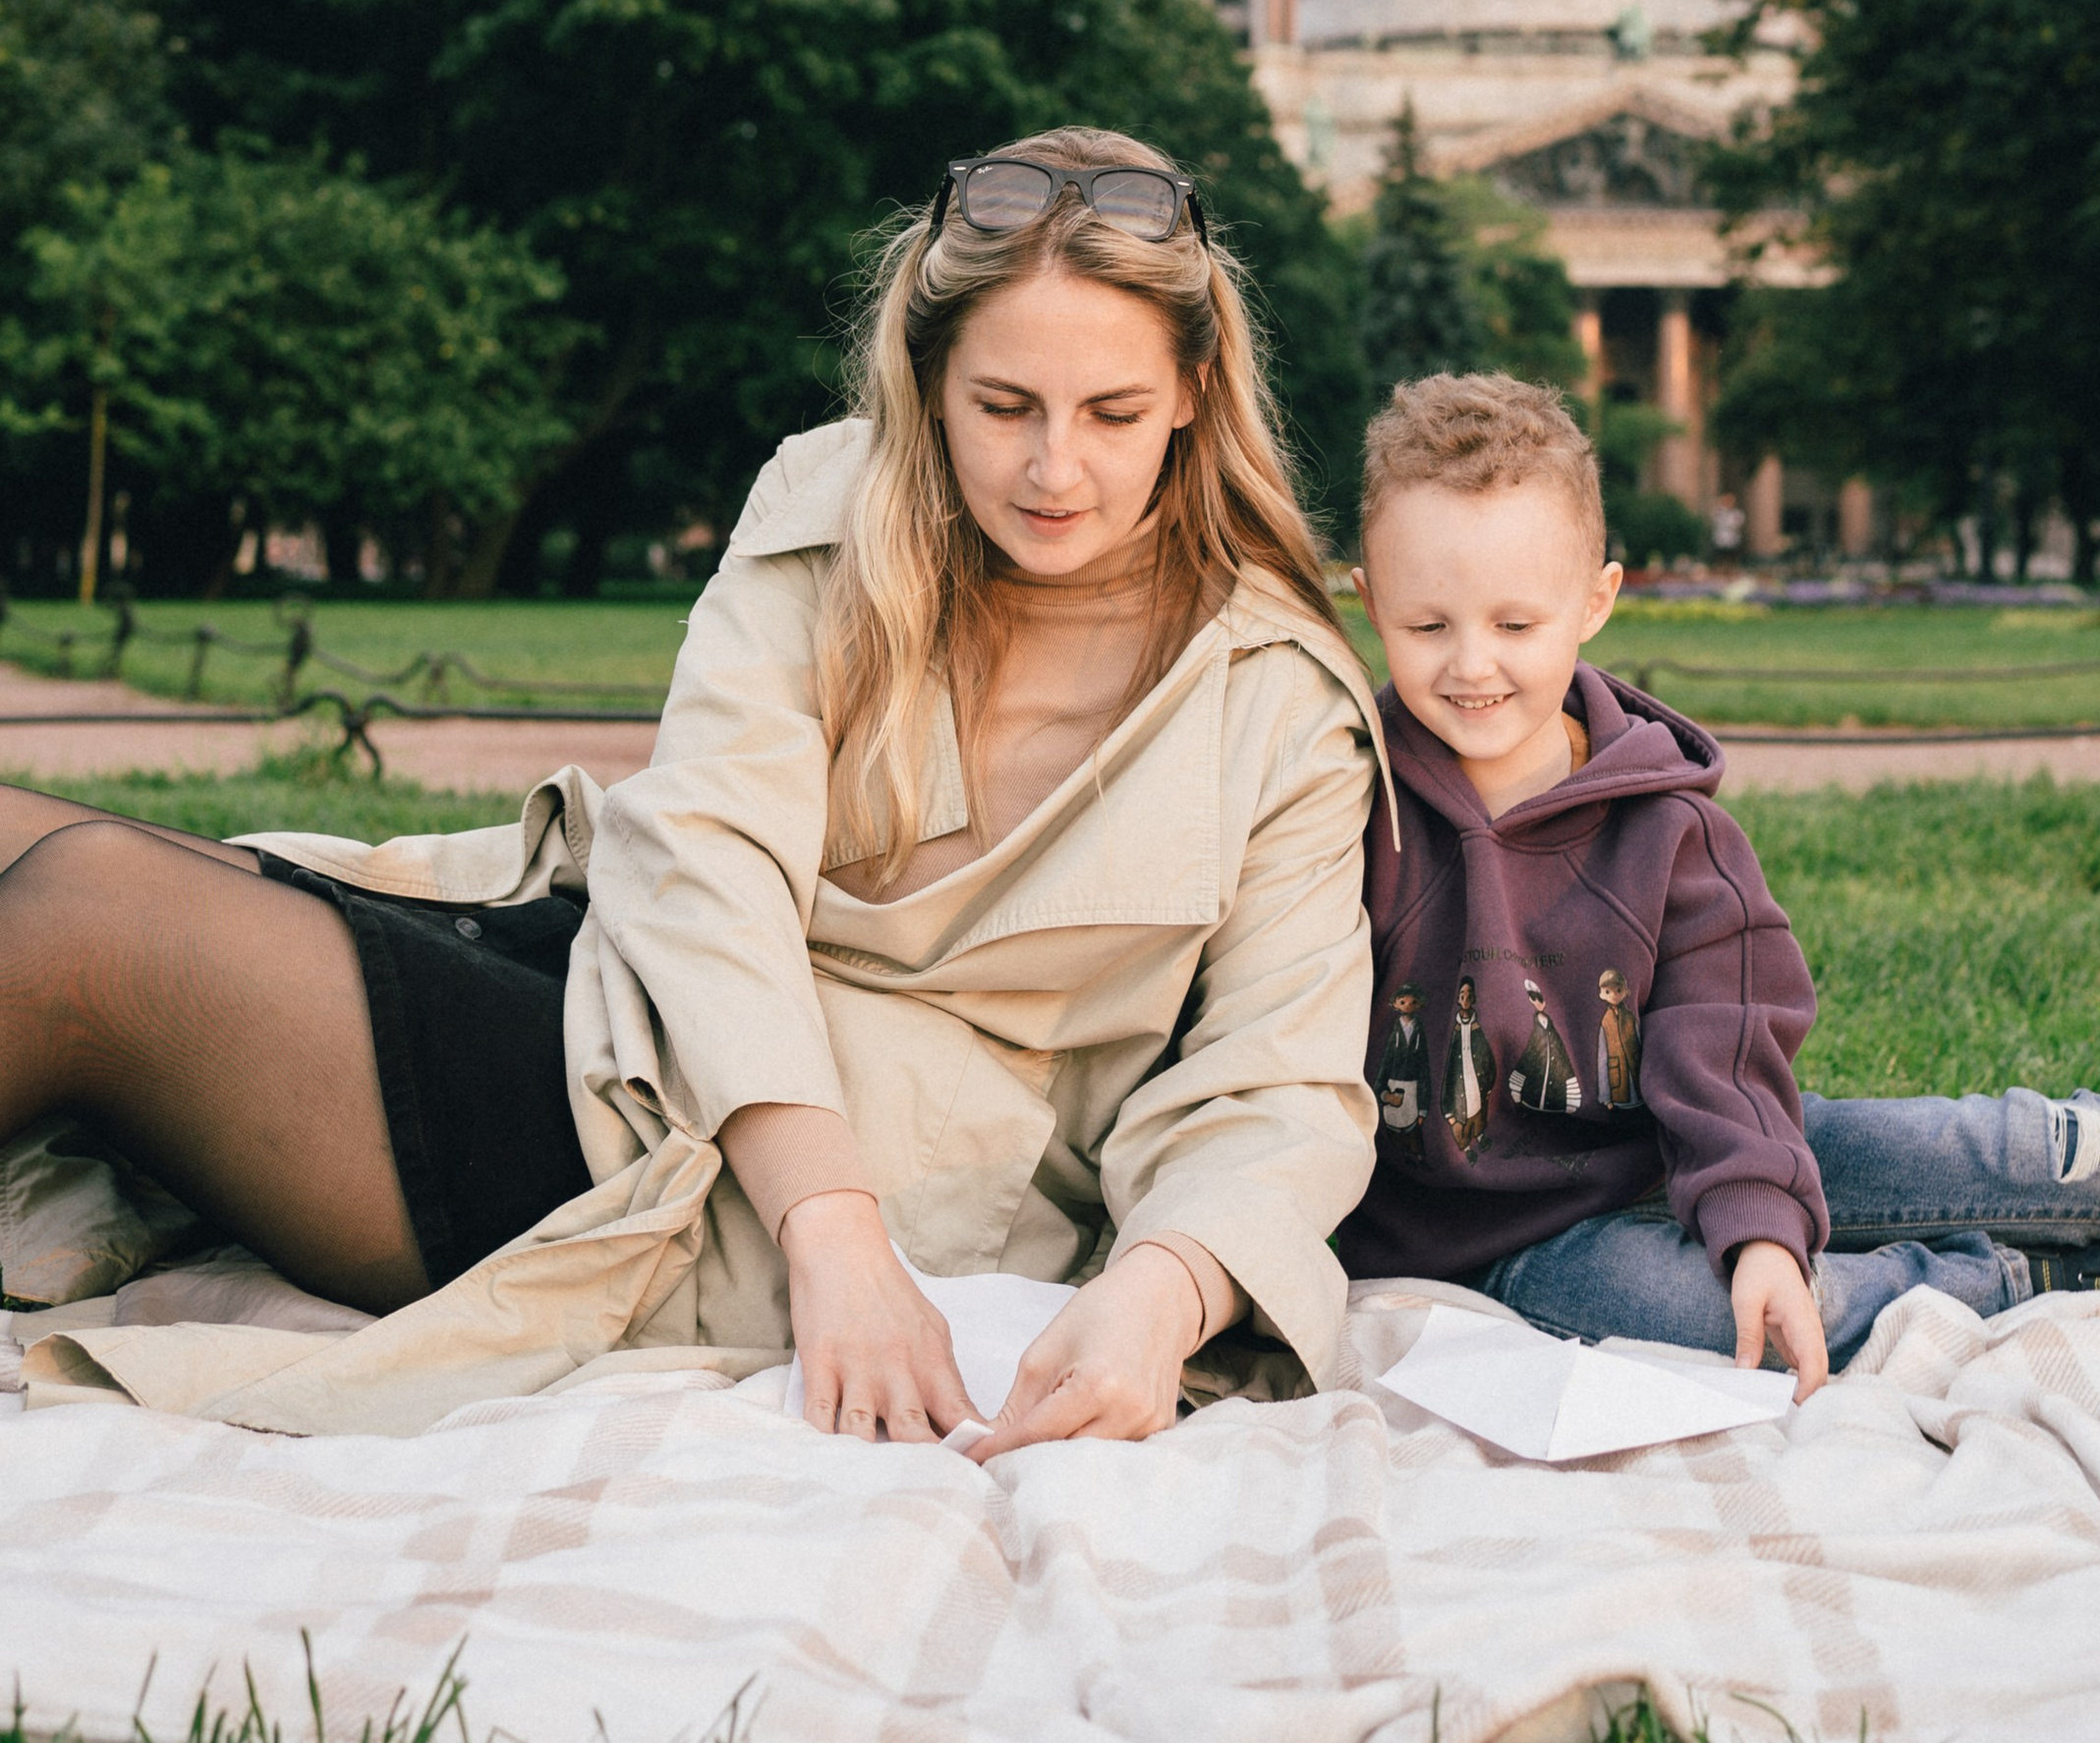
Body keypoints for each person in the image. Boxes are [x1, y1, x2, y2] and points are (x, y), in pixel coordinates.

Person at [0, 130, 1388, 1448]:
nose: (1053, 467)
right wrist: (829, 1227)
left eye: (1114, 412)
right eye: (1004, 405)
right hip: (628, 992)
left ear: (1196, 392)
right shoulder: (831, 509)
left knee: (92, 920)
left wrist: (1154, 1298)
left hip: (688, 1178)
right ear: (928, 374)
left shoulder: (1277, 696)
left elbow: (1280, 1083)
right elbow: (709, 866)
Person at [1340, 372, 2100, 1395]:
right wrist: (1763, 1265)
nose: (1470, 663)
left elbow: (1722, 1047)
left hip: (1704, 1147)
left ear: (1596, 600)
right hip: (1507, 1240)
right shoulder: (1343, 808)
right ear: (1365, 599)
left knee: (2040, 1144)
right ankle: (2053, 1280)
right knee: (1712, 1324)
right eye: (1427, 623)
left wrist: (1753, 1218)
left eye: (1514, 620)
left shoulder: (1667, 827)